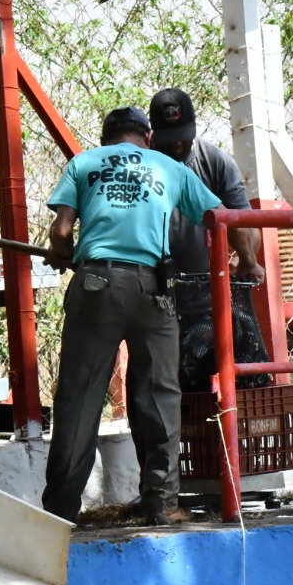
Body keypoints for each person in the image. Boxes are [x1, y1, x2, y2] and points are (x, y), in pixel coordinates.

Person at [42, 106, 222, 525]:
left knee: (79, 400)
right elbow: (219, 218)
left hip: (95, 288)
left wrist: (62, 254)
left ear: (106, 138)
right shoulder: (169, 167)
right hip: (151, 290)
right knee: (160, 395)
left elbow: (62, 231)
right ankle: (161, 502)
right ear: (148, 136)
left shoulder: (84, 163)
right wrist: (247, 262)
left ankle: (60, 514)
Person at [147, 87, 264, 283]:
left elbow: (246, 224)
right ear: (153, 134)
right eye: (169, 139)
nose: (177, 144)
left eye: (182, 136)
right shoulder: (142, 162)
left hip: (206, 281)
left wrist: (243, 259)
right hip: (151, 279)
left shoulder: (215, 160)